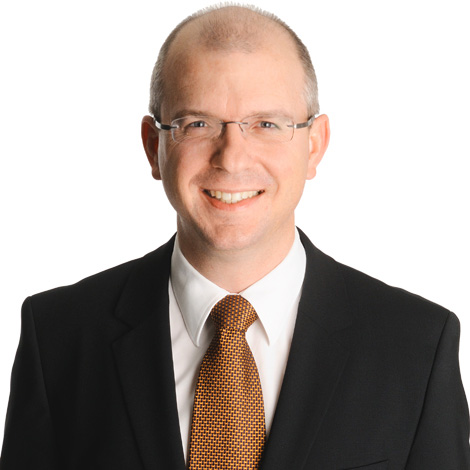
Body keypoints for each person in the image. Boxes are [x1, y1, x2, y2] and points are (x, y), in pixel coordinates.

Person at [1, 4, 469, 469]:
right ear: (153, 145)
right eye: (197, 124)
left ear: (314, 144)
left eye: (266, 124)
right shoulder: (58, 337)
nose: (232, 158)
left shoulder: (417, 347)